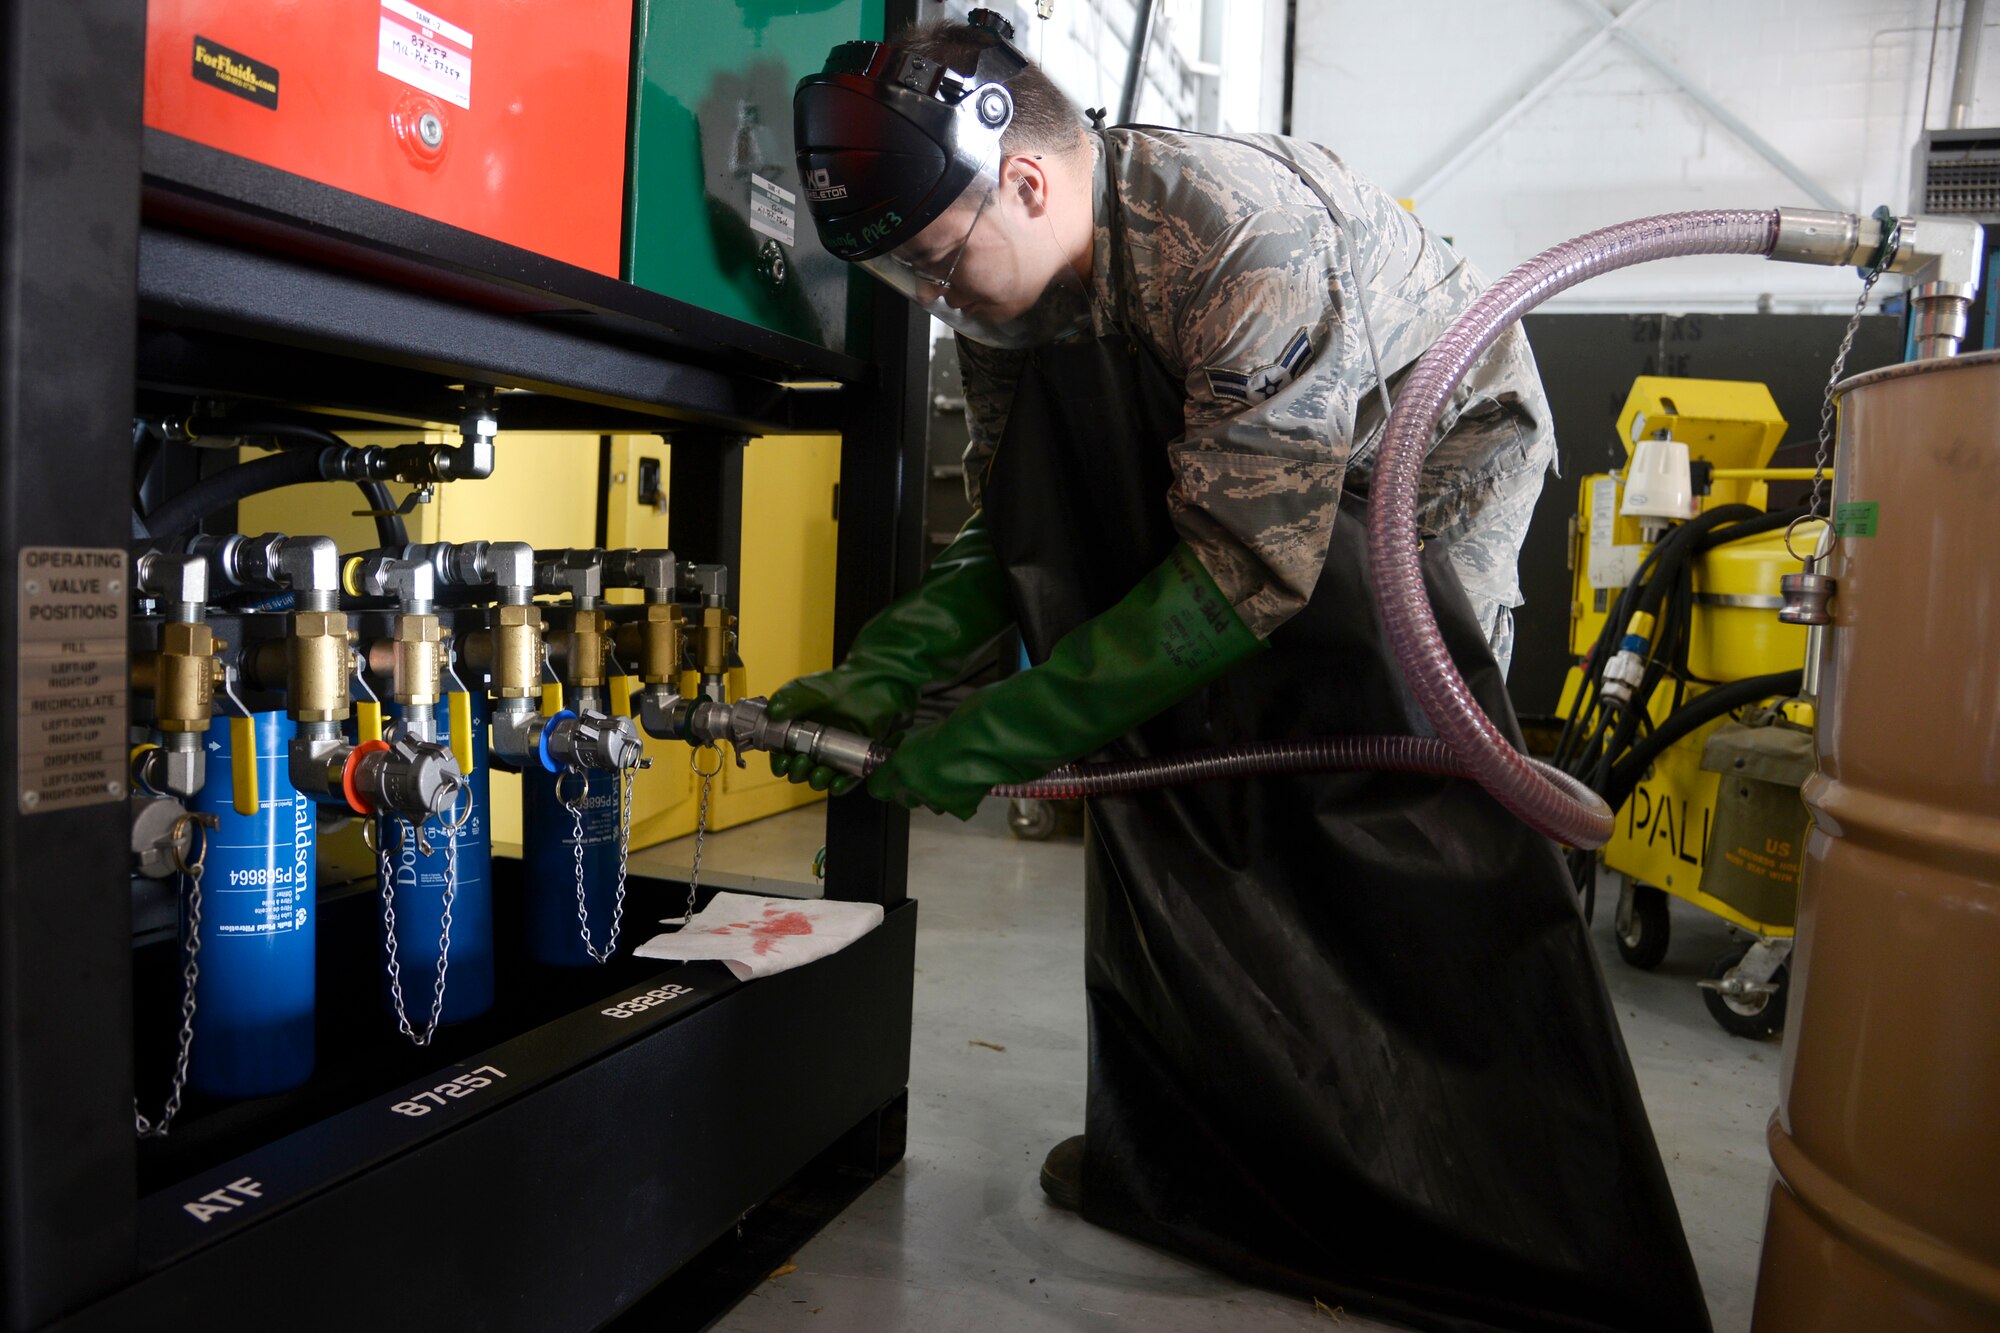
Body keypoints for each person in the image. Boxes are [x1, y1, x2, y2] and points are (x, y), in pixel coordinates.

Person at [770, 14, 1711, 1331]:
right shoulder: (1005, 296)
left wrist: (1006, 731)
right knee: (1197, 792)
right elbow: (1019, 525)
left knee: (1402, 807)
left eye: (936, 263)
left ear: (1027, 181)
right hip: (1242, 481)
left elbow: (1247, 575)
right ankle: (1231, 1171)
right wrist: (894, 664)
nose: (939, 301)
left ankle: (1482, 1208)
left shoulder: (1229, 235)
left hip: (1424, 462)